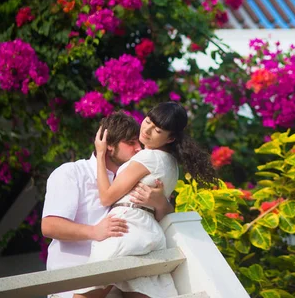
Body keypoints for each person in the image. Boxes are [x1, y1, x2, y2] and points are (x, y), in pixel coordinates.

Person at [74, 101, 216, 298]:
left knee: (85, 293)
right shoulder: (172, 165)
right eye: (147, 121)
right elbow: (163, 212)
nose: (147, 130)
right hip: (148, 234)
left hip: (124, 228)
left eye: (157, 130)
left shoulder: (149, 157)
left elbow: (106, 197)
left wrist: (100, 154)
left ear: (171, 138)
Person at [42, 111, 173, 298]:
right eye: (131, 143)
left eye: (139, 143)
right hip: (74, 287)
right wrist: (94, 231)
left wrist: (161, 203)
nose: (139, 149)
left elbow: (163, 217)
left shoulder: (138, 177)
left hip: (120, 287)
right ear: (109, 146)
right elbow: (49, 226)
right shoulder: (71, 173)